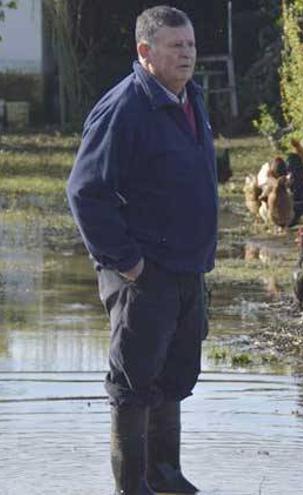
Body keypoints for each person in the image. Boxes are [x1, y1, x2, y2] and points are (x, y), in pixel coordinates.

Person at [66, 6, 217, 494]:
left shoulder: (190, 97)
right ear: (145, 52)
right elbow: (85, 191)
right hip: (141, 273)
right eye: (176, 45)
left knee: (172, 375)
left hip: (185, 268)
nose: (187, 53)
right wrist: (127, 261)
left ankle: (164, 476)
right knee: (133, 383)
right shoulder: (125, 108)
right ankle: (132, 486)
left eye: (190, 44)